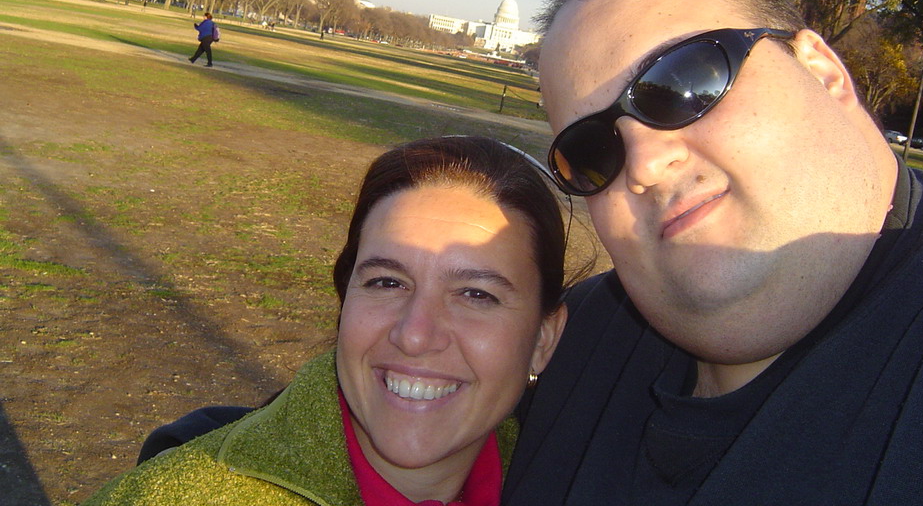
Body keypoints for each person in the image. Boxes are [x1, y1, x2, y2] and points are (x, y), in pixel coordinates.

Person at [500, 0, 923, 504]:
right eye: (593, 149)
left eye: (684, 83)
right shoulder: (569, 341)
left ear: (822, 72)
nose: (644, 164)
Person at [82, 136, 568, 505]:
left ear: (544, 339)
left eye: (475, 294)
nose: (415, 334)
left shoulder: (566, 476)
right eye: (387, 282)